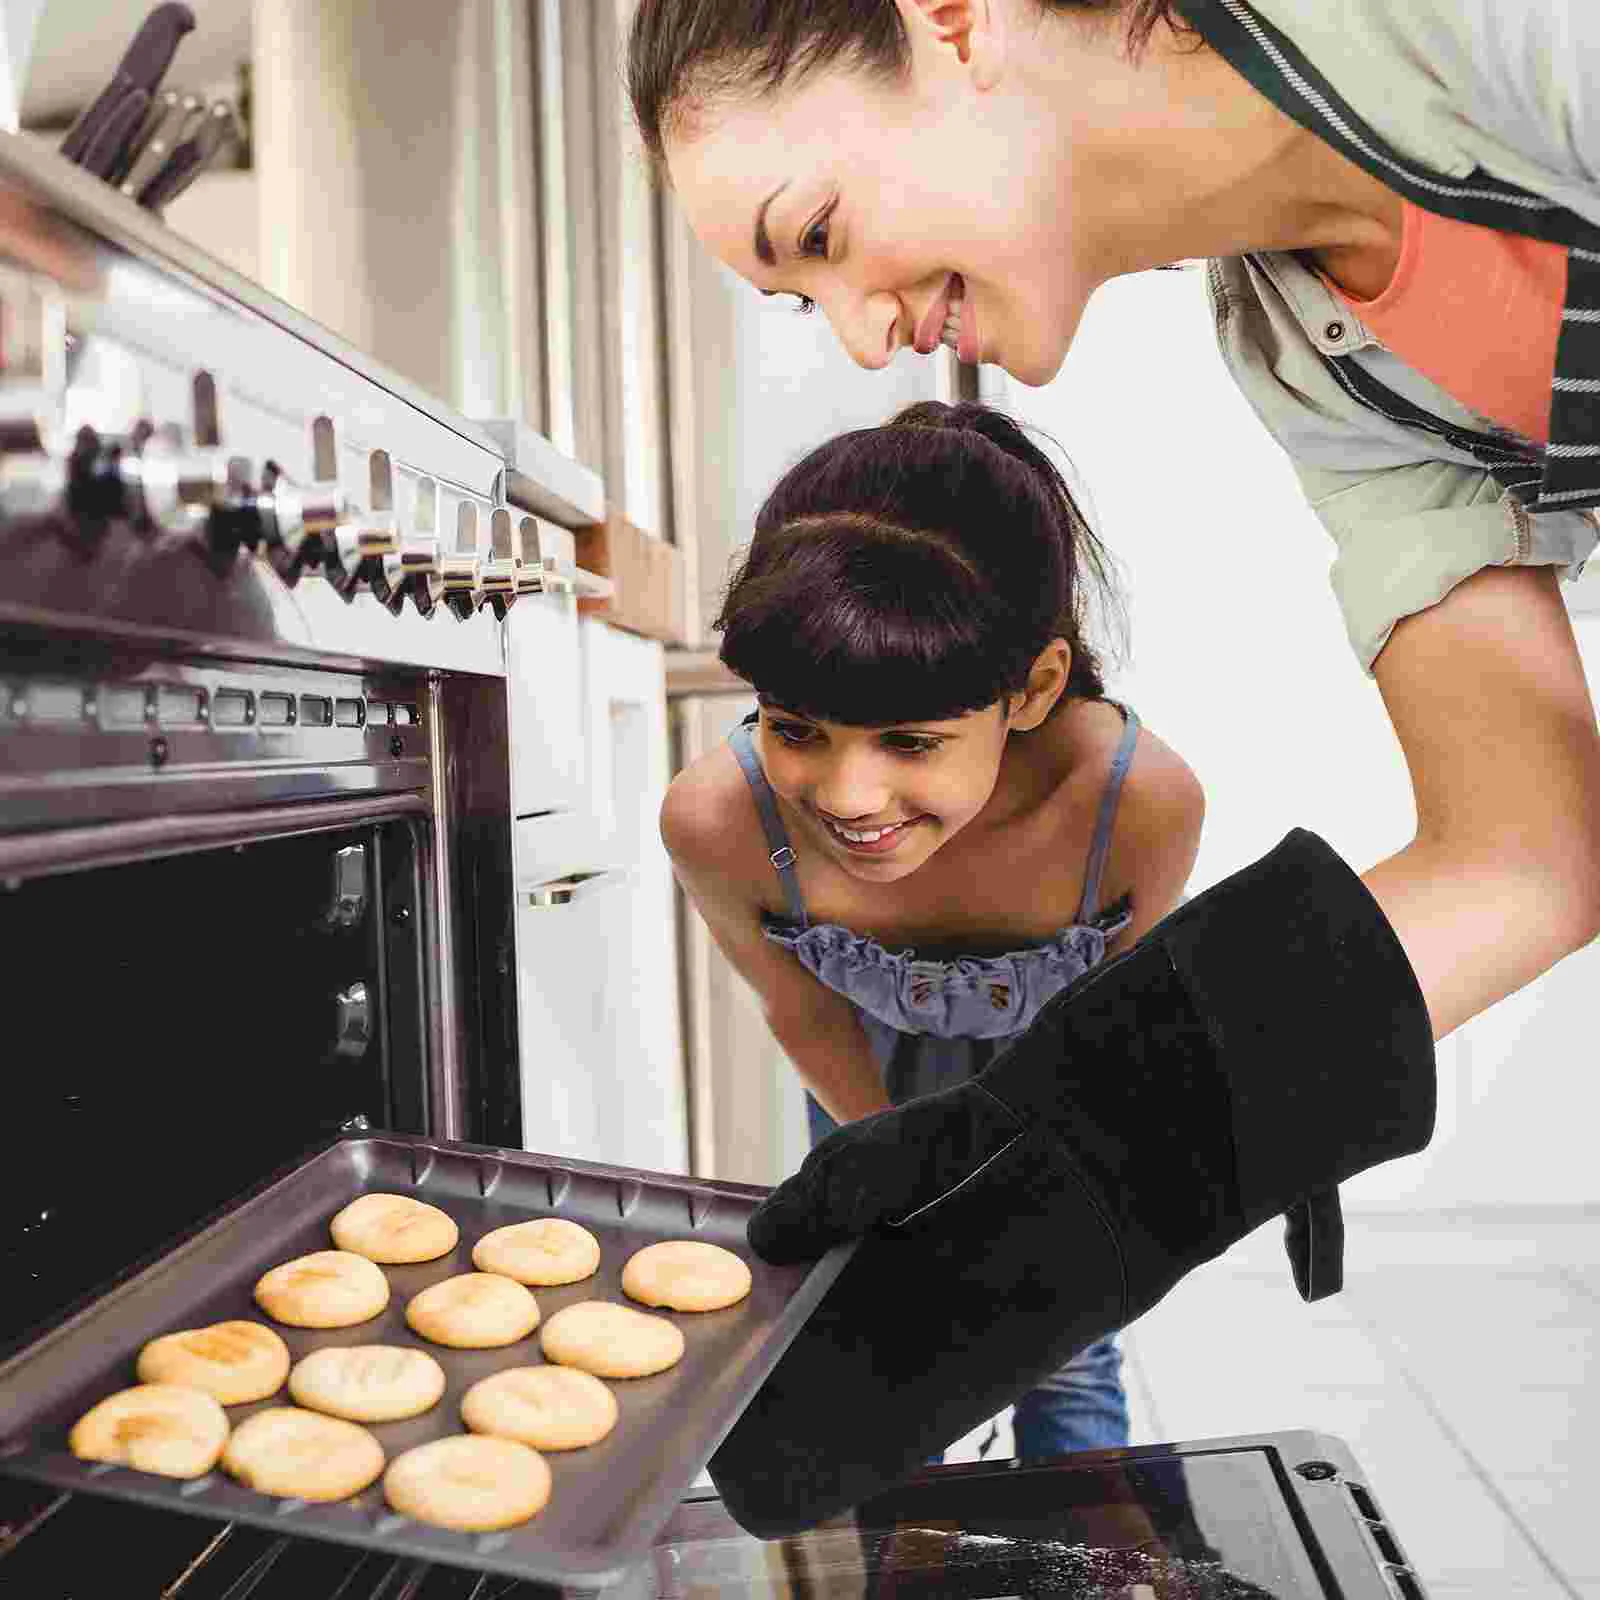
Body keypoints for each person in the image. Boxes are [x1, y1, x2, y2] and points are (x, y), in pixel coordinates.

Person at [624, 0, 1600, 1535]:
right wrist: (1098, 1129)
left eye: (816, 233)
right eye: (793, 295)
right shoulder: (1315, 363)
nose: (861, 335)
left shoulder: (1479, 28)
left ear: (951, 19)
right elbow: (1530, 856)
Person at [660, 399, 1204, 1463]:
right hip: (862, 1087)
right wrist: (908, 1180)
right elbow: (803, 1011)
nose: (849, 795)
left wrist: (1031, 1199)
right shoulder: (718, 820)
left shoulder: (1134, 804)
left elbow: (1116, 1032)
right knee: (880, 1338)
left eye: (911, 739)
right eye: (795, 727)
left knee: (1065, 1343)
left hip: (1063, 1102)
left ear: (1032, 689)